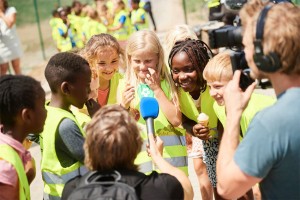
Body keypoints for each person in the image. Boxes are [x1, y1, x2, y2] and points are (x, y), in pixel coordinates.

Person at [216, 1, 300, 199]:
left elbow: (227, 188)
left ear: (263, 54)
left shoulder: (271, 123)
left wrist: (233, 114)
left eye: (246, 46)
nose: (244, 54)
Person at [62, 105, 194, 200]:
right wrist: (157, 157)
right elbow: (187, 190)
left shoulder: (72, 189)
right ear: (137, 147)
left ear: (89, 147)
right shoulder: (158, 187)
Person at [203, 51, 276, 199]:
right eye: (209, 86)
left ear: (236, 83)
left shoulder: (253, 111)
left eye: (217, 86)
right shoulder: (218, 107)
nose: (212, 93)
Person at [118, 30, 191, 175]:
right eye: (137, 61)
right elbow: (120, 126)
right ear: (129, 59)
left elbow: (176, 120)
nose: (142, 66)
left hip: (173, 160)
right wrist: (123, 107)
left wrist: (157, 89)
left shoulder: (169, 82)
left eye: (148, 61)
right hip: (141, 160)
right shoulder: (125, 85)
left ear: (158, 58)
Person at [164, 25, 214, 200]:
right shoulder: (173, 79)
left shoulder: (208, 73)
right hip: (193, 127)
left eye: (188, 43)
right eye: (178, 44)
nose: (184, 48)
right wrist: (190, 129)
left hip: (215, 129)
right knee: (200, 168)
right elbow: (179, 114)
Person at [41, 52, 92, 200]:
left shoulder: (47, 113)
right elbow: (95, 160)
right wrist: (98, 119)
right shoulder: (66, 125)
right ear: (66, 89)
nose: (89, 92)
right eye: (87, 86)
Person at [0, 75, 47, 200]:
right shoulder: (6, 168)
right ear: (27, 116)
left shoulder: (15, 147)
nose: (46, 111)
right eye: (42, 105)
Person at [79, 33, 124, 109]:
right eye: (102, 63)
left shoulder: (122, 81)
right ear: (90, 61)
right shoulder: (80, 84)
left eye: (114, 61)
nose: (109, 68)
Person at [0, 0, 23, 76]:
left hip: (13, 42)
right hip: (2, 45)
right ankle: (3, 86)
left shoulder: (11, 10)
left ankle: (20, 86)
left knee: (16, 67)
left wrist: (1, 14)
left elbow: (10, 24)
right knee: (3, 68)